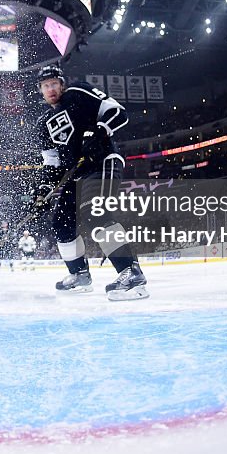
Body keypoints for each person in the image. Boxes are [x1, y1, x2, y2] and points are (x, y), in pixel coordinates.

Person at [34, 65, 148, 300]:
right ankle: (80, 275)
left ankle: (131, 273)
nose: (51, 88)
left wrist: (99, 132)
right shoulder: (43, 123)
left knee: (95, 212)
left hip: (101, 161)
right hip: (76, 174)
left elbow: (117, 112)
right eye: (46, 86)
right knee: (61, 222)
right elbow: (52, 163)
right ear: (41, 91)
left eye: (54, 83)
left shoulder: (77, 92)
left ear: (62, 83)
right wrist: (43, 191)